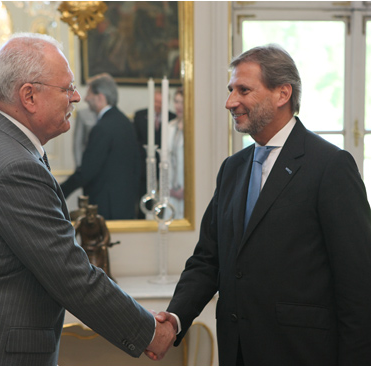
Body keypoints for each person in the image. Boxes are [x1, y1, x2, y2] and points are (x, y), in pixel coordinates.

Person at [0, 33, 176, 365]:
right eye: (67, 88)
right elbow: (69, 273)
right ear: (29, 95)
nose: (76, 98)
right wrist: (148, 332)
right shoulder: (13, 166)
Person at [152, 44, 371, 365]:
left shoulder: (330, 165)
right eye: (230, 90)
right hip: (237, 351)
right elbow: (207, 260)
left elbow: (357, 281)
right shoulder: (232, 168)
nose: (230, 102)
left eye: (243, 90)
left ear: (283, 93)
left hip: (302, 353)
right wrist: (174, 319)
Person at [60, 73, 141, 220]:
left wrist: (60, 191)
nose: (85, 99)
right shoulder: (126, 123)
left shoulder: (102, 127)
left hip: (105, 207)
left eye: (89, 94)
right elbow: (137, 167)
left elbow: (88, 170)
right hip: (125, 205)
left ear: (100, 97)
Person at [133, 88, 176, 218]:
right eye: (156, 101)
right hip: (143, 170)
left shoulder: (173, 118)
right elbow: (136, 143)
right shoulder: (140, 116)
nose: (158, 105)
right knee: (144, 207)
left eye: (161, 102)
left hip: (165, 170)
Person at [74, 204, 116, 281]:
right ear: (85, 214)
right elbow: (72, 234)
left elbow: (106, 234)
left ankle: (106, 276)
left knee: (104, 249)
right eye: (89, 214)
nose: (91, 217)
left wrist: (103, 243)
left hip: (98, 247)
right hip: (85, 247)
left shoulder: (100, 220)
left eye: (93, 214)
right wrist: (75, 245)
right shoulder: (80, 221)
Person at [168, 87, 184, 219]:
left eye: (182, 102)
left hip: (187, 191)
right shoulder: (170, 126)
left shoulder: (194, 129)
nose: (178, 106)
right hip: (170, 191)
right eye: (176, 101)